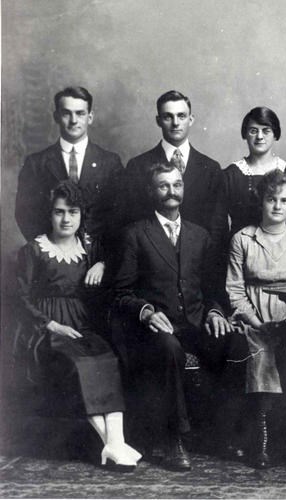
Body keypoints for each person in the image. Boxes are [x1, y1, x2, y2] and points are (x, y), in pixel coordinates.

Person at [112, 163, 232, 471]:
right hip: (154, 328)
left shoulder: (200, 235)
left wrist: (215, 312)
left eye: (176, 185)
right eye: (163, 186)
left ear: (184, 189)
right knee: (170, 350)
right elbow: (121, 293)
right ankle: (173, 438)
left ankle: (226, 432)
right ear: (151, 192)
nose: (171, 192)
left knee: (233, 343)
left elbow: (213, 288)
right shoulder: (135, 234)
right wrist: (147, 312)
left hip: (193, 322)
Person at [16, 181, 141, 470]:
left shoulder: (88, 248)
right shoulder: (34, 250)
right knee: (82, 364)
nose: (66, 219)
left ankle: (115, 444)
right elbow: (20, 298)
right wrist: (51, 325)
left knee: (106, 358)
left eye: (73, 212)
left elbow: (113, 260)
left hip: (81, 323)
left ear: (82, 215)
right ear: (50, 214)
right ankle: (114, 445)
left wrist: (102, 265)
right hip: (46, 328)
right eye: (59, 212)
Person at [226, 170, 286, 469]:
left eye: (284, 200)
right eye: (271, 199)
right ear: (261, 201)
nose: (277, 206)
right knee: (261, 356)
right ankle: (261, 441)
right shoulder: (243, 239)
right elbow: (235, 290)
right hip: (253, 319)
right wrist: (255, 320)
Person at [122, 90, 228, 296]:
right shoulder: (138, 166)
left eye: (181, 116)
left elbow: (218, 228)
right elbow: (130, 219)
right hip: (153, 274)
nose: (175, 123)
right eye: (168, 116)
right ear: (158, 120)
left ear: (191, 119)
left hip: (198, 271)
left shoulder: (211, 168)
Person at [15, 87, 124, 259]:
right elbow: (25, 213)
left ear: (90, 117)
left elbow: (119, 214)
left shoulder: (110, 162)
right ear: (56, 117)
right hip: (53, 259)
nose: (74, 120)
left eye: (80, 113)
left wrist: (102, 256)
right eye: (67, 113)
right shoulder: (36, 163)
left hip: (98, 258)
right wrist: (51, 249)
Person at [224, 107, 286, 234]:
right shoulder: (231, 174)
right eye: (253, 131)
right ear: (245, 134)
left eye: (266, 131)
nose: (259, 137)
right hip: (240, 248)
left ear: (275, 135)